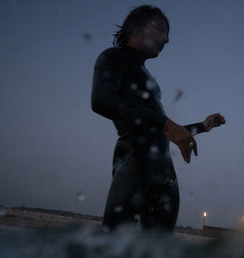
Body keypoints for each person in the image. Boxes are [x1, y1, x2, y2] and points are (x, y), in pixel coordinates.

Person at [91, 5, 226, 231]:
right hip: (135, 163)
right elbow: (101, 101)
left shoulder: (147, 76)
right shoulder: (113, 57)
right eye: (161, 29)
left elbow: (160, 127)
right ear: (138, 27)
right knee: (112, 245)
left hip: (164, 175)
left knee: (159, 254)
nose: (167, 39)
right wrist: (164, 123)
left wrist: (202, 126)